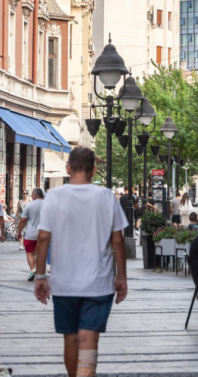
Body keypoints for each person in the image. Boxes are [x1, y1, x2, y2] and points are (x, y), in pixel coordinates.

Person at [34, 147, 128, 377]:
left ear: (68, 169)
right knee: (88, 339)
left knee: (71, 338)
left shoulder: (54, 196)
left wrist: (40, 276)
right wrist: (121, 276)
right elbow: (118, 241)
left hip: (64, 282)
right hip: (98, 283)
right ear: (94, 171)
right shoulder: (106, 197)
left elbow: (43, 237)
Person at [16, 188, 45, 281]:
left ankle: (32, 269)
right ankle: (39, 271)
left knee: (30, 253)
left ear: (35, 195)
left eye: (32, 194)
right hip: (44, 234)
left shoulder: (29, 206)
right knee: (39, 253)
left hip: (30, 234)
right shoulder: (49, 204)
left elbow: (23, 220)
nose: (31, 196)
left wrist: (19, 231)